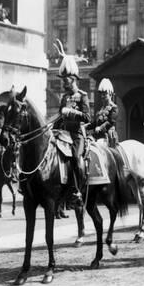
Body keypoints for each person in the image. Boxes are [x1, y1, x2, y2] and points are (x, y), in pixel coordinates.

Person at [53, 39, 91, 204]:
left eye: (65, 79)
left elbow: (88, 117)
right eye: (62, 79)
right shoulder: (64, 97)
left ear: (73, 78)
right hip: (63, 134)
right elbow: (60, 117)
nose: (63, 82)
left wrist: (72, 112)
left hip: (76, 135)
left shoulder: (82, 96)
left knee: (75, 157)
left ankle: (77, 190)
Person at [90, 78, 118, 147]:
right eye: (102, 94)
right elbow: (95, 123)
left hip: (108, 136)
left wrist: (100, 128)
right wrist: (85, 126)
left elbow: (110, 121)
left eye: (105, 94)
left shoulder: (114, 108)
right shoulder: (101, 109)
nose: (102, 96)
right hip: (97, 135)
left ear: (110, 94)